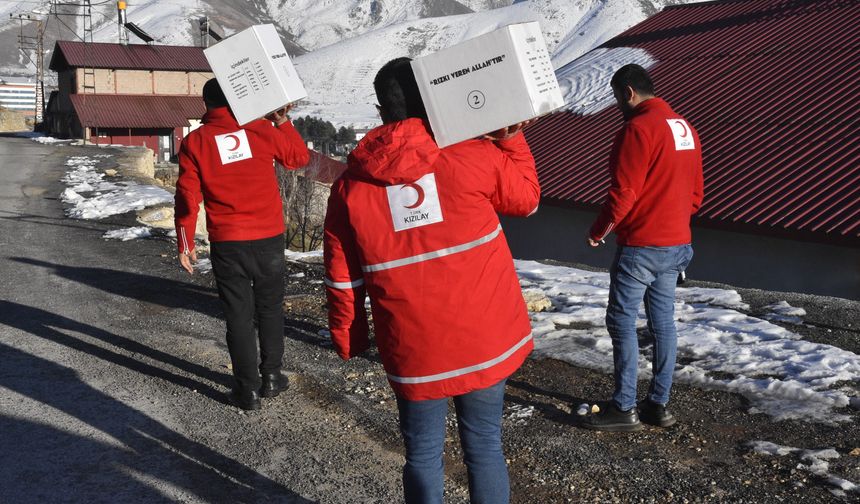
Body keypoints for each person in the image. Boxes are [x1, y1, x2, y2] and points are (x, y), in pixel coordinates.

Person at [323, 57, 540, 503]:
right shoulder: (476, 154)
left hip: (413, 347)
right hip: (484, 338)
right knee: (484, 448)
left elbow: (343, 278)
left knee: (422, 455)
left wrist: (351, 336)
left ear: (382, 112)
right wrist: (513, 138)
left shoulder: (349, 188)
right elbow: (528, 200)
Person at [174, 78, 309, 411]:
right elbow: (298, 158)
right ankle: (273, 376)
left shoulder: (196, 142)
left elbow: (188, 196)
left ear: (206, 105)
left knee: (238, 315)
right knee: (270, 308)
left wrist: (185, 240)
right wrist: (282, 120)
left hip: (228, 241)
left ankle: (247, 390)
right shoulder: (261, 129)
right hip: (269, 238)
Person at [582, 64, 703, 431]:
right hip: (677, 242)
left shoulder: (637, 128)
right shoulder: (685, 128)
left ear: (629, 92)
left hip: (641, 245)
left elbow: (625, 191)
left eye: (618, 97)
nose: (619, 104)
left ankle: (623, 407)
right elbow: (696, 194)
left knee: (620, 321)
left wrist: (600, 229)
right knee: (662, 322)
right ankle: (658, 405)